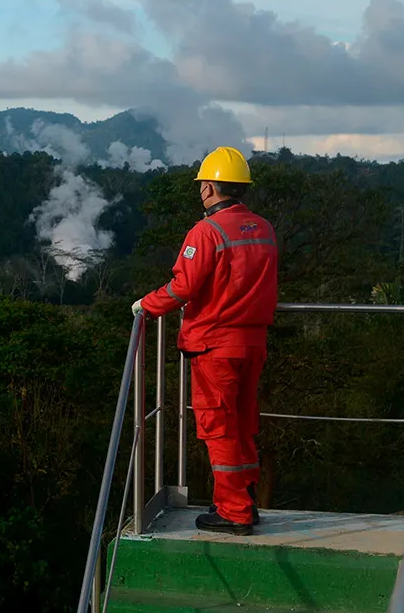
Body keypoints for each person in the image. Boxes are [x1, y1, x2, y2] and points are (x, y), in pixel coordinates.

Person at [132, 146, 278, 535]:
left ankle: (234, 511)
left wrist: (146, 306)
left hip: (216, 344)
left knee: (218, 427)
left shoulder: (207, 231)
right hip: (253, 342)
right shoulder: (263, 228)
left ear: (209, 187)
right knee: (243, 423)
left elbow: (184, 286)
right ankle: (243, 498)